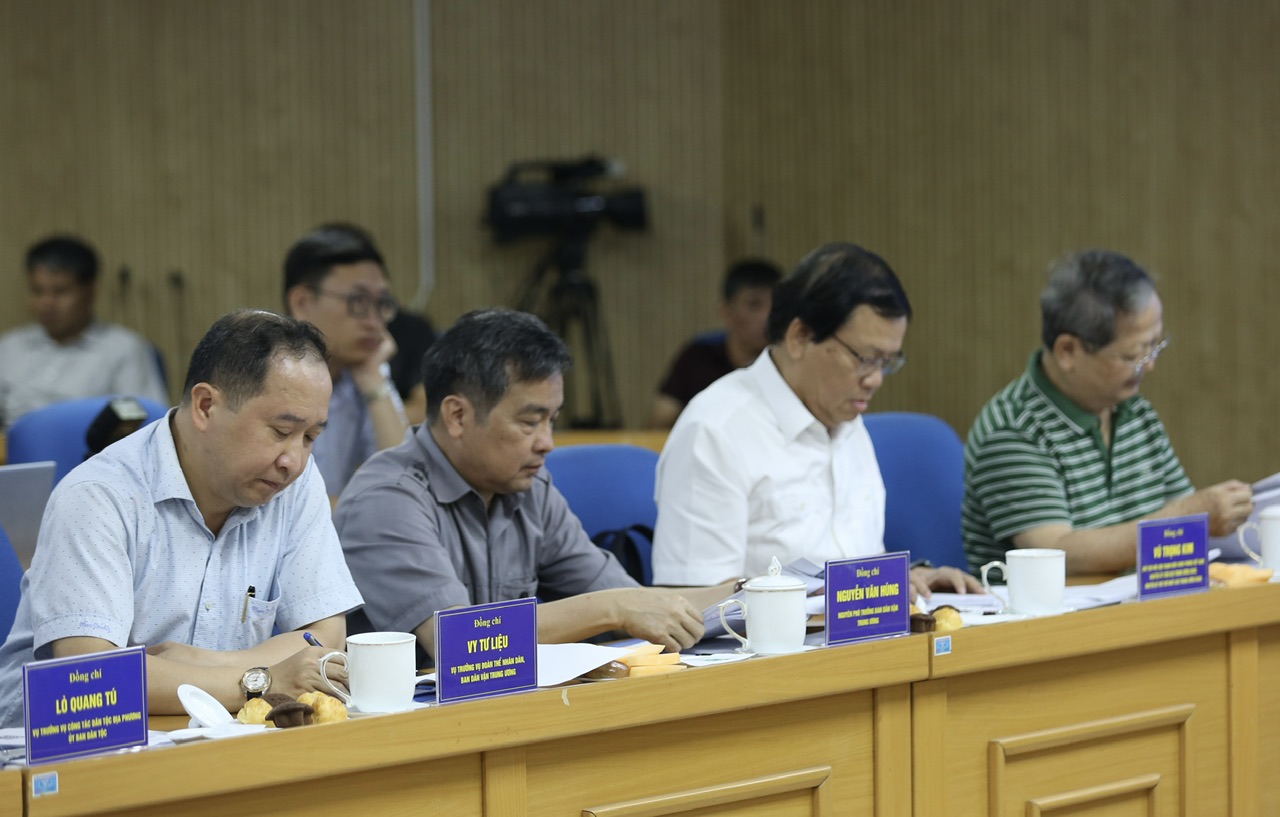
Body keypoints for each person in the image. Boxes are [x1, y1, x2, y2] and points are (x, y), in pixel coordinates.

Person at [0, 310, 365, 726]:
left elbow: (325, 639)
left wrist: (200, 661)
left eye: (311, 437)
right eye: (282, 431)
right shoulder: (97, 496)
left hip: (217, 734)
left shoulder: (292, 483)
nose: (294, 460)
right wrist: (260, 680)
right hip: (66, 746)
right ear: (206, 406)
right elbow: (93, 678)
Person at [334, 309, 732, 660]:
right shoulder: (386, 498)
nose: (547, 443)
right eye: (529, 422)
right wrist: (612, 609)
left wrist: (747, 592)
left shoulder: (528, 487)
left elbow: (642, 605)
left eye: (552, 420)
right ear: (457, 416)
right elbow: (459, 642)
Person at [652, 242, 980, 599]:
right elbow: (689, 605)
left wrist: (909, 579)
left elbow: (855, 562)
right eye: (865, 358)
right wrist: (829, 595)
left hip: (859, 632)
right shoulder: (715, 430)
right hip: (770, 638)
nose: (875, 379)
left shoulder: (844, 418)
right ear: (800, 336)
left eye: (887, 362)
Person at [962, 249, 1253, 575]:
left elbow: (1181, 509)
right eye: (1132, 356)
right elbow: (1058, 555)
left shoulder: (1134, 411)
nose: (1149, 366)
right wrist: (1187, 516)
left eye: (1154, 346)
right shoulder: (1013, 431)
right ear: (1068, 351)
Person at [283, 223, 410, 499]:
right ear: (302, 303)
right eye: (358, 302)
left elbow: (404, 481)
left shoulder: (367, 371)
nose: (374, 321)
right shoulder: (264, 376)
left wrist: (372, 378)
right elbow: (278, 508)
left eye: (382, 303)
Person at [0, 235, 168, 429]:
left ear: (90, 291)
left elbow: (151, 426)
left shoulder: (124, 349)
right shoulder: (9, 347)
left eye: (60, 292)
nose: (46, 303)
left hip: (89, 447)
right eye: (38, 291)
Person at [648, 259, 782, 429]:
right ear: (726, 312)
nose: (767, 316)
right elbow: (659, 422)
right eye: (754, 305)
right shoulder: (698, 357)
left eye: (776, 304)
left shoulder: (793, 362)